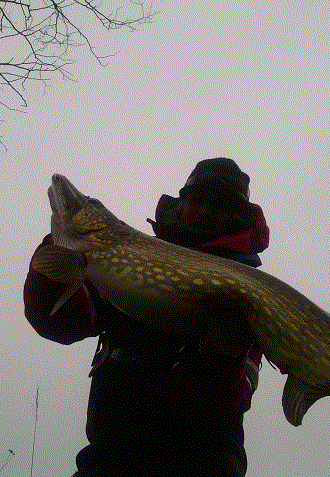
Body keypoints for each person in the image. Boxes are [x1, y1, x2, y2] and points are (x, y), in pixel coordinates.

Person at [24, 158, 270, 477]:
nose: (205, 211)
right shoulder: (123, 263)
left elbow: (221, 409)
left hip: (203, 464)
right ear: (181, 203)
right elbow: (56, 322)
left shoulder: (248, 293)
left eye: (219, 206)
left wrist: (219, 357)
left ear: (235, 218)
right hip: (110, 457)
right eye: (197, 200)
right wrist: (57, 254)